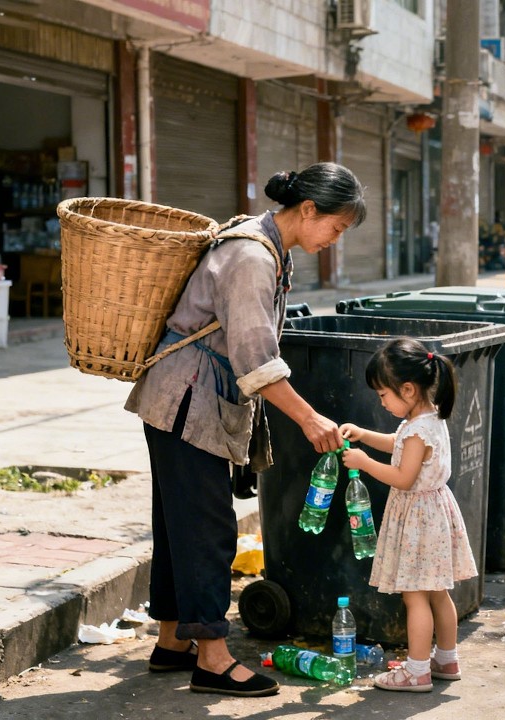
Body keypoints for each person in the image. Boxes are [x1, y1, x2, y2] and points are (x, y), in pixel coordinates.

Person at [127, 162, 365, 697]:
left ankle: (172, 643)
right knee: (208, 531)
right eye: (336, 226)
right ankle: (211, 660)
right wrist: (309, 418)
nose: (335, 239)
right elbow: (255, 359)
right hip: (189, 401)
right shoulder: (253, 256)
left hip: (180, 398)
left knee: (177, 526)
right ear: (308, 210)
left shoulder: (266, 248)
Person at [340, 338, 477, 693]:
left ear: (408, 388)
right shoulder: (426, 419)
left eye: (383, 395)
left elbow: (403, 476)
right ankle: (446, 659)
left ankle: (416, 671)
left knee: (414, 596)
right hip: (435, 512)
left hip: (419, 518)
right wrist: (365, 435)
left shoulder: (417, 429)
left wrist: (364, 463)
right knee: (437, 593)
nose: (381, 402)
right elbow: (397, 444)